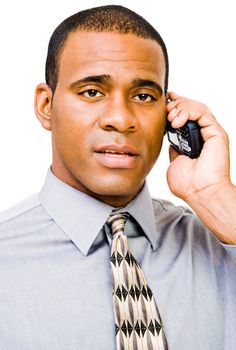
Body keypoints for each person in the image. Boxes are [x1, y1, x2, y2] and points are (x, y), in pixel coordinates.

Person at [0, 4, 235, 350]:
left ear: (169, 115)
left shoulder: (222, 245)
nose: (120, 119)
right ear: (46, 106)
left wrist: (217, 196)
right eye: (92, 91)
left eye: (143, 96)